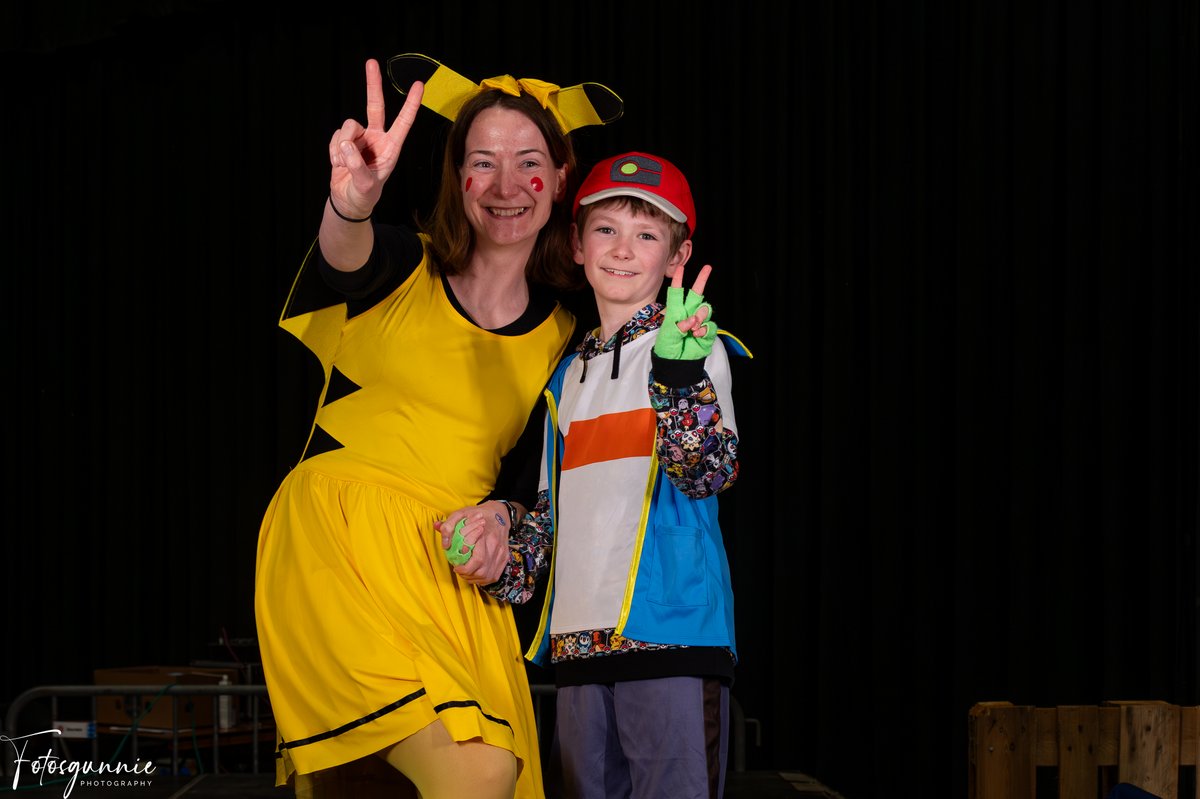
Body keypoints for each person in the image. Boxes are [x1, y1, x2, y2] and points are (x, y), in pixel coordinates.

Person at [254, 53, 621, 799]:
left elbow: (532, 497)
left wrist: (499, 526)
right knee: (476, 768)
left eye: (528, 163)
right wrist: (351, 205)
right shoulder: (400, 263)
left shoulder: (565, 340)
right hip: (338, 540)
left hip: (447, 573)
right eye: (482, 162)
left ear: (559, 179)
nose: (506, 185)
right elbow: (345, 258)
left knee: (436, 780)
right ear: (458, 179)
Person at [455, 151, 751, 799]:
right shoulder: (567, 375)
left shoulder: (693, 345)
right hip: (578, 651)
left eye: (646, 235)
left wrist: (678, 374)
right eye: (607, 229)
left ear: (677, 257)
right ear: (577, 244)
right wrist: (495, 553)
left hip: (673, 639)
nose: (622, 249)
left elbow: (706, 472)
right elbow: (547, 522)